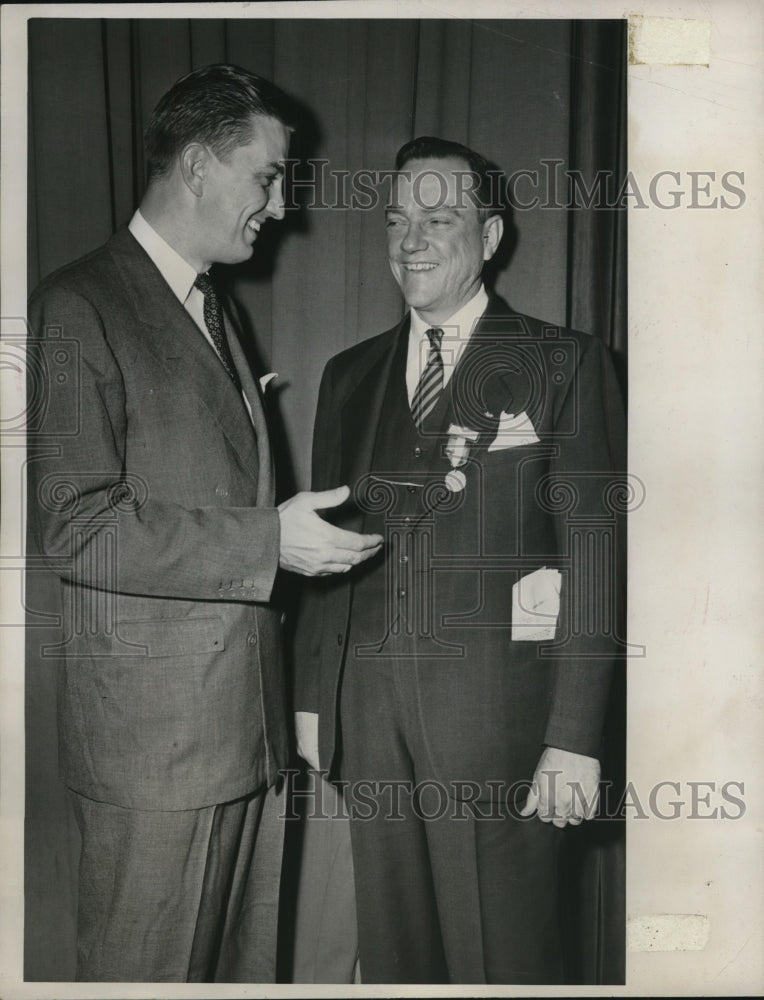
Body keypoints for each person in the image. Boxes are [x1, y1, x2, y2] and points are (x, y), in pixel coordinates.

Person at [26, 64, 382, 983]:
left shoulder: (213, 308)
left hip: (248, 742)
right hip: (157, 763)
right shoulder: (79, 305)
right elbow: (74, 526)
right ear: (195, 164)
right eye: (265, 178)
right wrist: (271, 541)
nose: (279, 207)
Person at [293, 136, 626, 984]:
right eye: (398, 219)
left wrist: (576, 738)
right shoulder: (348, 375)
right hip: (368, 722)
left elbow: (595, 554)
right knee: (398, 953)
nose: (412, 241)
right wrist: (311, 703)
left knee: (505, 959)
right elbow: (327, 542)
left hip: (504, 726)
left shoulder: (567, 362)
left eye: (439, 219)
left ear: (490, 238)